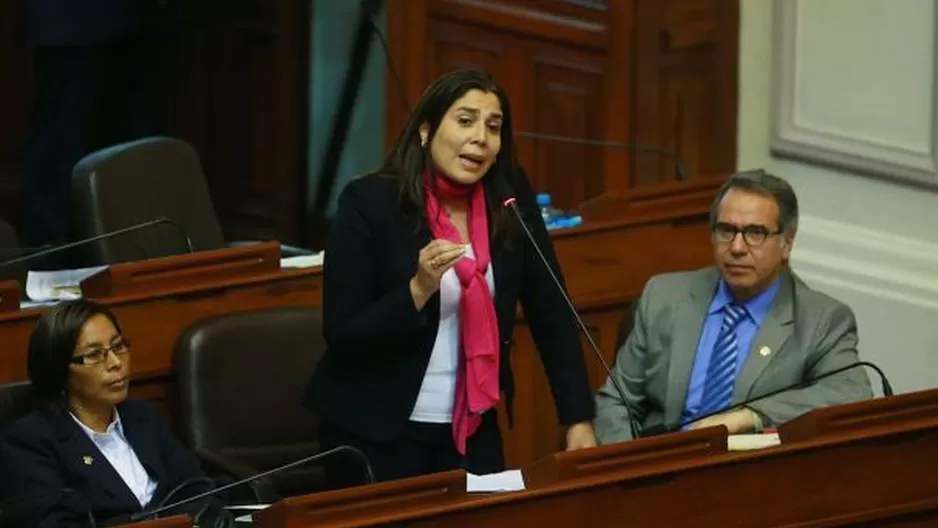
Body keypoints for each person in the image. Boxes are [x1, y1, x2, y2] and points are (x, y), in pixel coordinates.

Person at [304, 68, 597, 485]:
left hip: (471, 431)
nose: (480, 137)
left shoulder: (509, 198)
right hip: (375, 432)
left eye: (493, 127)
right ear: (426, 129)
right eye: (465, 121)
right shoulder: (371, 203)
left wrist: (578, 418)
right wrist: (417, 289)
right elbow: (344, 333)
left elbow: (551, 308)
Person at [594, 170, 873, 444]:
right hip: (660, 468)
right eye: (727, 230)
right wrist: (628, 469)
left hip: (752, 475)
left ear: (786, 243)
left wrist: (751, 417)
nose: (737, 247)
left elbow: (851, 392)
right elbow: (617, 399)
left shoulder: (821, 320)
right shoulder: (665, 296)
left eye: (755, 233)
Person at [0, 299, 231, 527]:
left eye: (118, 347)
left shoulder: (142, 417)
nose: (115, 362)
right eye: (94, 355)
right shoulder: (31, 442)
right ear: (59, 370)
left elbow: (197, 486)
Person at [20, 0, 163, 261]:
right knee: (61, 149)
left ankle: (124, 259)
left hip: (136, 23)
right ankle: (51, 268)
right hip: (74, 24)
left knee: (130, 155)